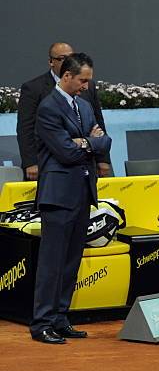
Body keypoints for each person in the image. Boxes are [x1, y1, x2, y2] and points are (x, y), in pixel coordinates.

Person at [30, 53, 112, 344]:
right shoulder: (48, 108)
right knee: (52, 263)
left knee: (70, 262)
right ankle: (41, 324)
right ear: (67, 76)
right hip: (58, 195)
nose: (86, 86)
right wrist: (90, 142)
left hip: (82, 192)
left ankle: (60, 319)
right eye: (83, 80)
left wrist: (85, 142)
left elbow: (105, 140)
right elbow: (64, 152)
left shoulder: (86, 106)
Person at [16, 42, 110, 181]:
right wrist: (31, 162)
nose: (67, 61)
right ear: (51, 62)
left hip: (85, 169)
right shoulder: (34, 88)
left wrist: (103, 158)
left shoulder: (87, 86)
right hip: (53, 165)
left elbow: (99, 125)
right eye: (61, 58)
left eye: (70, 57)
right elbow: (26, 128)